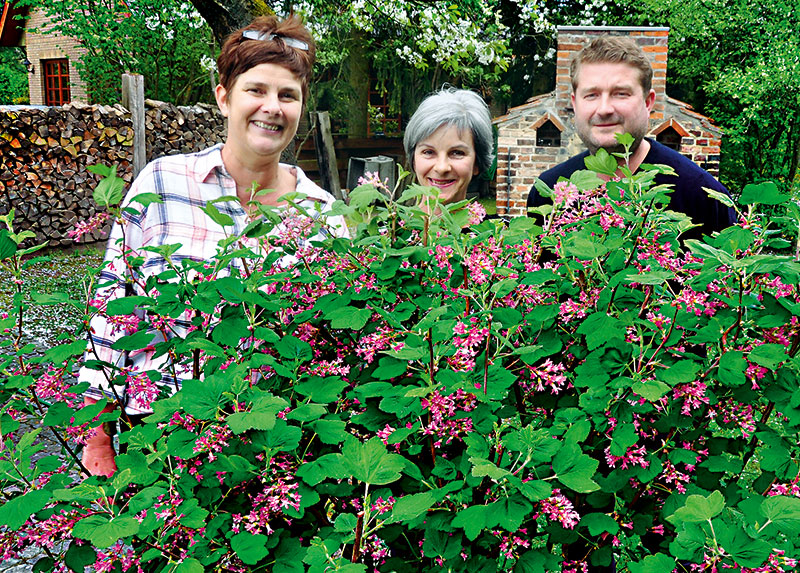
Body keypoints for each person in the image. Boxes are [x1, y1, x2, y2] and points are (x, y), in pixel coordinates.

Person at [79, 15, 347, 477]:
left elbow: (327, 341)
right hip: (160, 436)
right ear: (224, 97)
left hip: (268, 450)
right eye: (256, 90)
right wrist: (97, 433)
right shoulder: (162, 181)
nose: (272, 107)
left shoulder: (323, 215)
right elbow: (113, 304)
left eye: (288, 95)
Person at [527, 35, 736, 239]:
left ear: (648, 102)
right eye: (591, 95)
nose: (605, 109)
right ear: (575, 103)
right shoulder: (549, 193)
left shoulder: (703, 197)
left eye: (621, 93)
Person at [403, 87, 494, 206]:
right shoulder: (392, 225)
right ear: (413, 160)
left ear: (477, 161)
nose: (442, 168)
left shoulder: (497, 225)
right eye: (428, 152)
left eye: (457, 153)